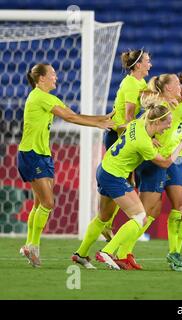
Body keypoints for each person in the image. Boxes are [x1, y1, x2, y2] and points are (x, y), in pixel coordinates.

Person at [107, 73, 182, 271]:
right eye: (180, 88)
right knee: (148, 212)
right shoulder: (170, 107)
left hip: (169, 159)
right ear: (170, 88)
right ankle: (117, 251)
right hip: (161, 160)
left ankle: (129, 251)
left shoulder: (166, 105)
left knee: (160, 210)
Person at [17, 63, 115, 267]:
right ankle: (31, 245)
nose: (56, 77)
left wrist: (103, 118)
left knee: (39, 204)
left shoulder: (49, 98)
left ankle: (31, 246)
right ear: (41, 78)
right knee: (48, 203)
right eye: (52, 74)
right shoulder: (39, 96)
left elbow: (74, 115)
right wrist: (98, 124)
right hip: (31, 154)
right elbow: (70, 117)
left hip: (43, 155)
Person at [73, 103, 182, 270]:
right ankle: (107, 251)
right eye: (167, 123)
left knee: (103, 217)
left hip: (104, 169)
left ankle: (81, 254)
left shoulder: (137, 123)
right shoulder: (144, 143)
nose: (170, 126)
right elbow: (165, 163)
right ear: (157, 122)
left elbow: (129, 130)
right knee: (140, 217)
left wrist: (151, 138)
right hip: (114, 176)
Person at [102, 49, 152, 241]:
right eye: (147, 61)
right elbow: (130, 116)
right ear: (138, 65)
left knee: (125, 183)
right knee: (123, 184)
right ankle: (125, 222)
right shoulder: (131, 83)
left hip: (122, 134)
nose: (150, 64)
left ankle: (108, 223)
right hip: (119, 136)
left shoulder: (140, 82)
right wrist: (140, 138)